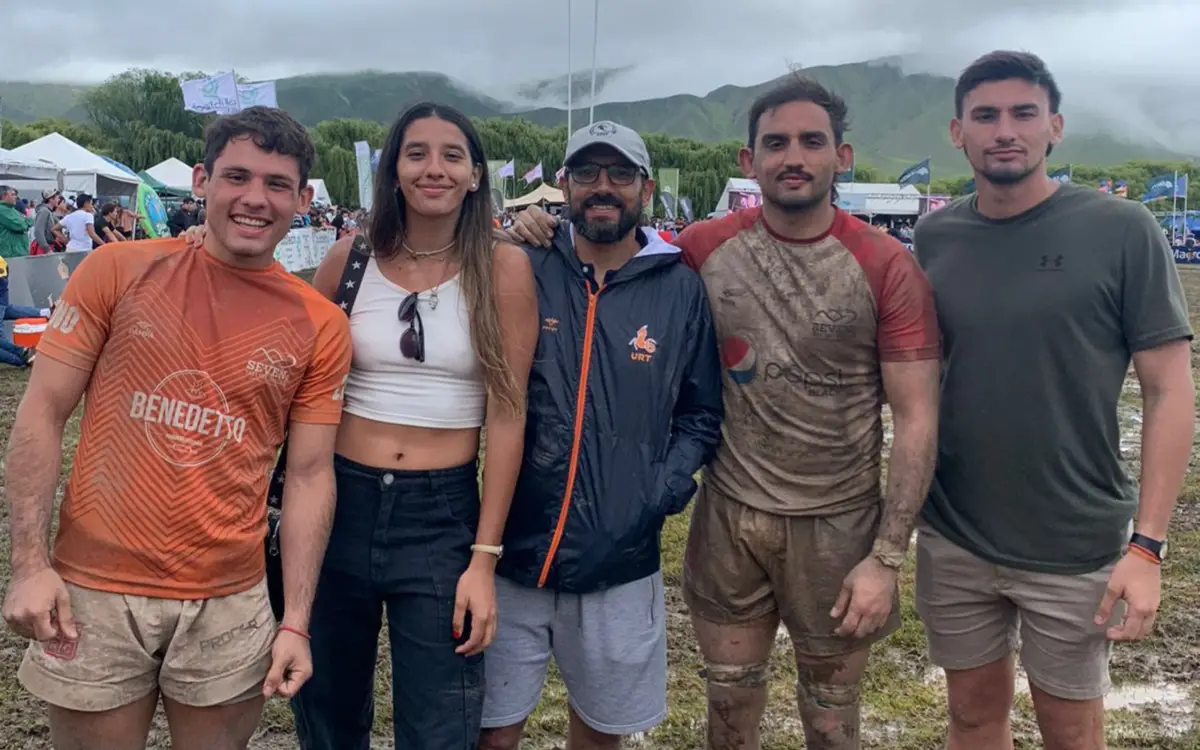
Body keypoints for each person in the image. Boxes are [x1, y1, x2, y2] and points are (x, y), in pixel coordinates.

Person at [503, 79, 941, 750]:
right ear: (749, 160)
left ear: (842, 156)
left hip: (836, 521)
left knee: (830, 712)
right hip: (731, 516)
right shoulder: (703, 248)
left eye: (811, 142)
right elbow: (614, 249)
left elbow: (915, 418)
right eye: (776, 143)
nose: (793, 157)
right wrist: (528, 225)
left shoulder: (885, 264)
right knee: (729, 704)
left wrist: (887, 555)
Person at [1, 105, 353, 750]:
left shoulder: (320, 324)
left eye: (276, 184)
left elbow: (307, 474)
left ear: (303, 199)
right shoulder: (118, 270)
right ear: (201, 182)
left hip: (229, 596)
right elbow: (42, 414)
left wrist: (297, 620)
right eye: (236, 177)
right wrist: (29, 563)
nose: (254, 199)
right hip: (96, 589)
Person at [211, 101, 534, 750]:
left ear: (476, 175)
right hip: (339, 499)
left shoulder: (503, 268)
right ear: (392, 171)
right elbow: (298, 375)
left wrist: (483, 557)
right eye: (415, 154)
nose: (433, 169)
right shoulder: (349, 259)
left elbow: (507, 412)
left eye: (452, 155)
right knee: (327, 707)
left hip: (441, 514)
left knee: (441, 720)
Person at [911, 51, 1196, 750]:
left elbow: (1169, 390)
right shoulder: (935, 236)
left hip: (1073, 540)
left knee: (1071, 731)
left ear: (1055, 127)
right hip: (955, 533)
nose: (1004, 130)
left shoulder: (1122, 230)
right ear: (958, 133)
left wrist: (1148, 549)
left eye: (1023, 113)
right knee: (973, 717)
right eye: (985, 116)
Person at [477, 122, 723, 750]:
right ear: (564, 186)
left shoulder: (680, 288)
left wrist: (658, 492)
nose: (603, 188)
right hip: (513, 552)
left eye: (620, 174)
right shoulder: (524, 265)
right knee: (490, 732)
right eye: (587, 174)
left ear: (644, 187)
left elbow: (701, 414)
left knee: (602, 733)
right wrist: (503, 231)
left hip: (620, 559)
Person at [0, 185, 33, 259]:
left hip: (18, 253)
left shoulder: (11, 209)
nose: (15, 197)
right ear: (4, 196)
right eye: (12, 194)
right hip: (9, 255)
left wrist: (24, 221)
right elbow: (19, 226)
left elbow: (30, 220)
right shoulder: (2, 210)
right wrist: (24, 221)